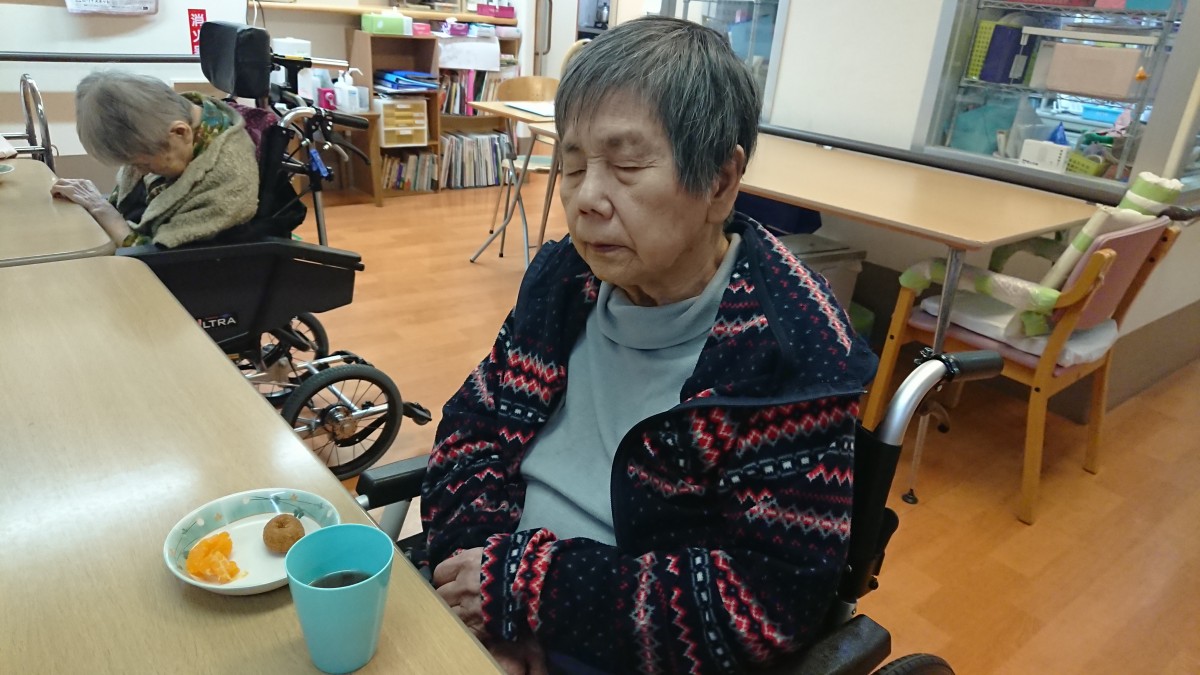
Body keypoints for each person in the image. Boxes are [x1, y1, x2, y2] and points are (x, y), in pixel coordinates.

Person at [424, 16, 878, 674]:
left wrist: (527, 592)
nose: (585, 198)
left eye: (627, 165)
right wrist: (488, 603)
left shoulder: (790, 351)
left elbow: (764, 604)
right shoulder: (564, 281)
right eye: (572, 164)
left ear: (720, 181)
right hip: (489, 596)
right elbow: (471, 429)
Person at [50, 70, 258, 248]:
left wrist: (103, 211)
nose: (140, 172)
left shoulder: (229, 181)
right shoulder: (163, 118)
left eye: (144, 163)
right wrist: (97, 204)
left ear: (180, 132)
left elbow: (159, 255)